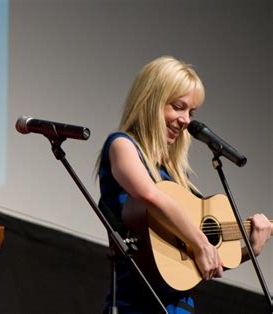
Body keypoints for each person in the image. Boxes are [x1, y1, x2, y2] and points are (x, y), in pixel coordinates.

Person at [97, 56, 272, 313]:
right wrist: (201, 242)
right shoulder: (123, 145)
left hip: (179, 307)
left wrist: (251, 250)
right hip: (133, 305)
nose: (186, 120)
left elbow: (196, 265)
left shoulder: (175, 176)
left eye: (191, 112)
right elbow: (148, 194)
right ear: (150, 101)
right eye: (178, 107)